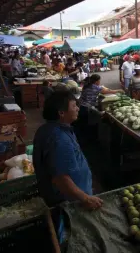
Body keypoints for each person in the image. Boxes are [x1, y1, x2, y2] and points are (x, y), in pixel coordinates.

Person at [33, 91, 103, 242]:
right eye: (74, 106)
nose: (78, 108)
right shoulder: (59, 139)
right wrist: (85, 198)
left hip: (67, 198)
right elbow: (61, 179)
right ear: (62, 113)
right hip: (69, 202)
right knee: (76, 239)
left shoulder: (49, 129)